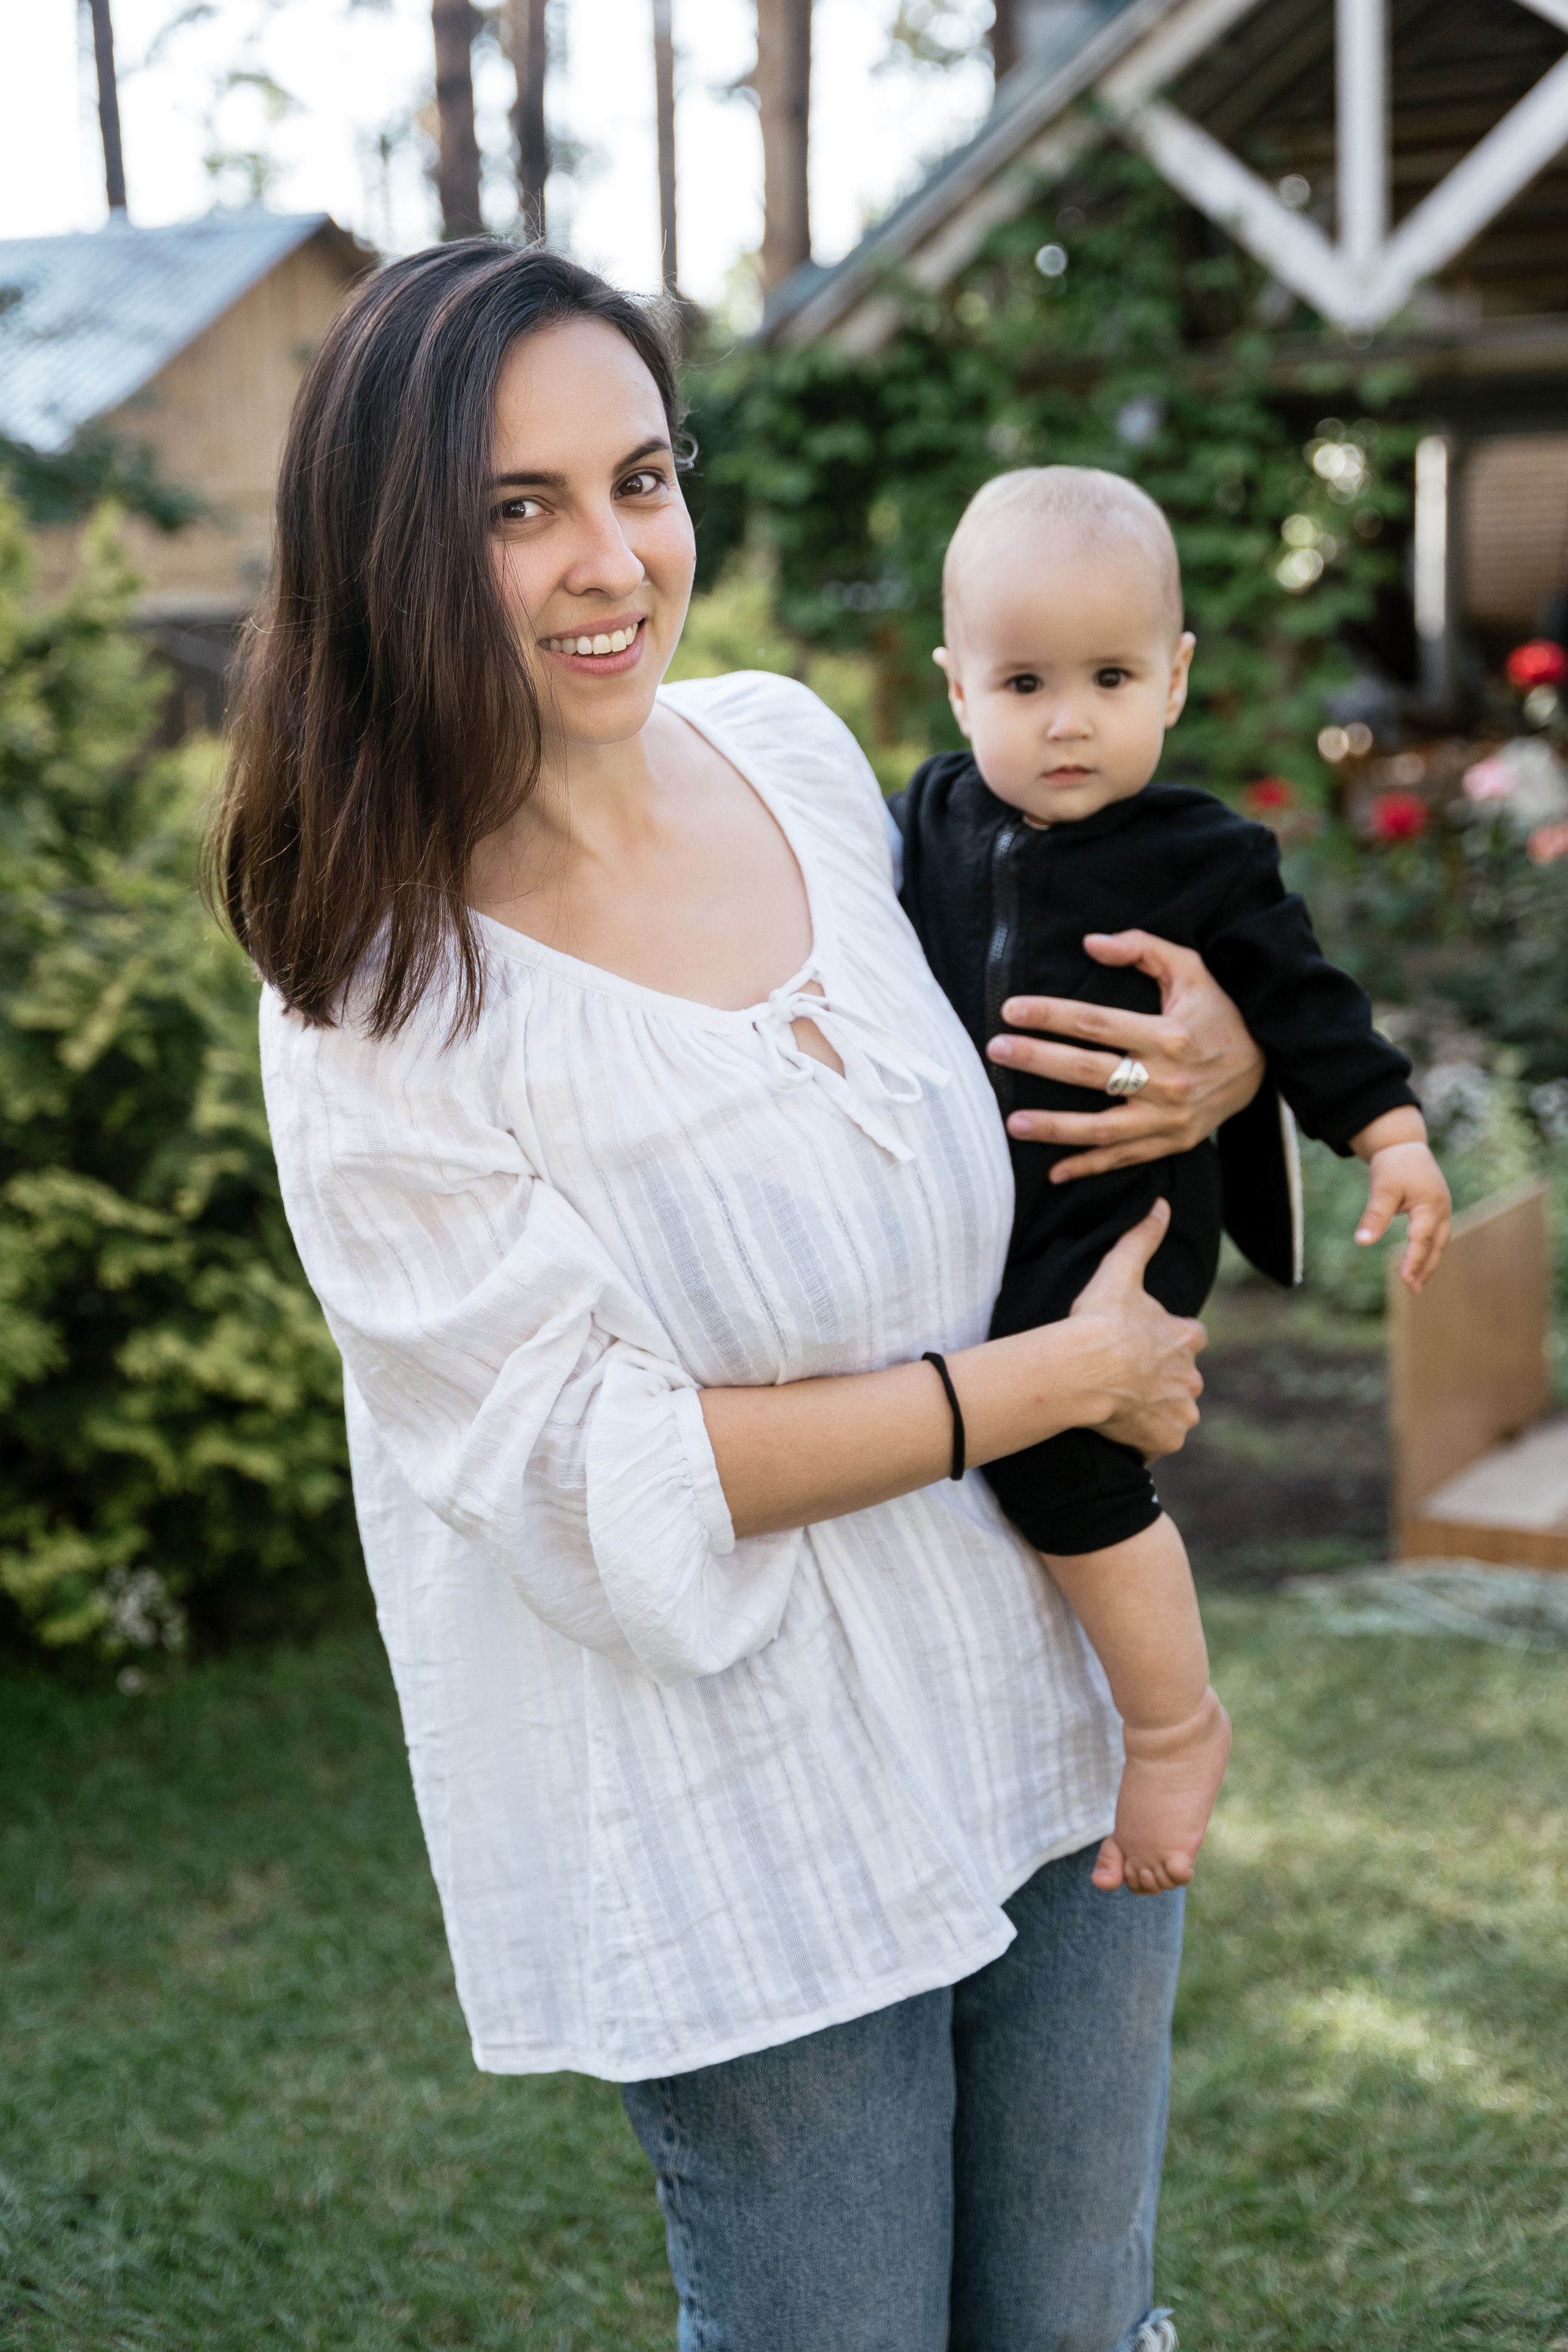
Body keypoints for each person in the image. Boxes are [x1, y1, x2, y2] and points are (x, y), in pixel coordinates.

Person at [211, 242, 1267, 2352]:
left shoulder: (787, 752)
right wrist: (1040, 1379)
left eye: (641, 476)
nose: (612, 561)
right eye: (518, 508)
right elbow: (586, 1483)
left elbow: (1008, 1019)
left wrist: (1220, 1063)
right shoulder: (375, 995)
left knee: (1073, 2326)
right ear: (392, 548)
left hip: (1036, 1680)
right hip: (735, 1795)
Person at [894, 466, 1453, 1900]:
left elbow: (1307, 1006)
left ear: (1175, 679)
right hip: (988, 1214)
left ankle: (1169, 1724)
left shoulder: (1203, 855)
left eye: (1108, 675)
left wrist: (1386, 1134)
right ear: (955, 685)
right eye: (1022, 679)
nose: (1066, 717)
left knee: (1059, 1448)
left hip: (1116, 1216)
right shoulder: (934, 823)